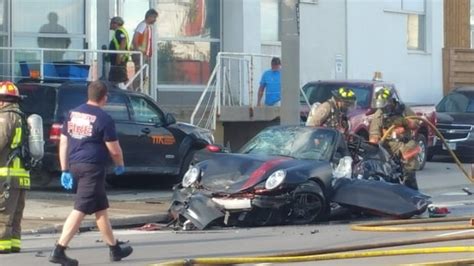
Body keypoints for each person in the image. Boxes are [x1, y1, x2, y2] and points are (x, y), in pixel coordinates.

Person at [49, 81, 132, 265]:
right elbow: (115, 150)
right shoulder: (103, 118)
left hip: (76, 165)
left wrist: (64, 169)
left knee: (100, 208)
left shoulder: (72, 114)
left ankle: (114, 249)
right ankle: (59, 250)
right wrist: (120, 164)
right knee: (80, 209)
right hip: (92, 169)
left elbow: (63, 143)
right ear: (105, 97)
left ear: (89, 95)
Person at [368, 87, 420, 190]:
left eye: (385, 105)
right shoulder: (379, 114)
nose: (383, 108)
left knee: (409, 176)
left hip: (405, 146)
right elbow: (374, 135)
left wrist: (405, 122)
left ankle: (414, 197)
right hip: (388, 148)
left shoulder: (403, 109)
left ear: (391, 101)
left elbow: (416, 124)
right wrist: (374, 144)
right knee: (389, 178)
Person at [0, 81, 30, 254]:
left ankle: (2, 246)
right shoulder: (21, 116)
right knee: (15, 214)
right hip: (20, 175)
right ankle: (13, 243)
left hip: (6, 175)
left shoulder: (5, 117)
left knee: (3, 213)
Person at [132, 9, 158, 92]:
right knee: (139, 74)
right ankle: (136, 91)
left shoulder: (147, 27)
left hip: (144, 54)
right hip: (140, 54)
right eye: (154, 17)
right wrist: (138, 51)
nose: (155, 20)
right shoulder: (142, 25)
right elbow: (135, 38)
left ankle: (140, 90)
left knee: (142, 75)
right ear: (149, 16)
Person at [108, 17, 130, 86]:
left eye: (111, 23)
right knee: (115, 79)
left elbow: (123, 43)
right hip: (118, 60)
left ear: (115, 24)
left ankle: (132, 93)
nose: (110, 25)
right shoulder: (120, 31)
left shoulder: (119, 31)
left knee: (123, 79)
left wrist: (118, 57)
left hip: (119, 61)